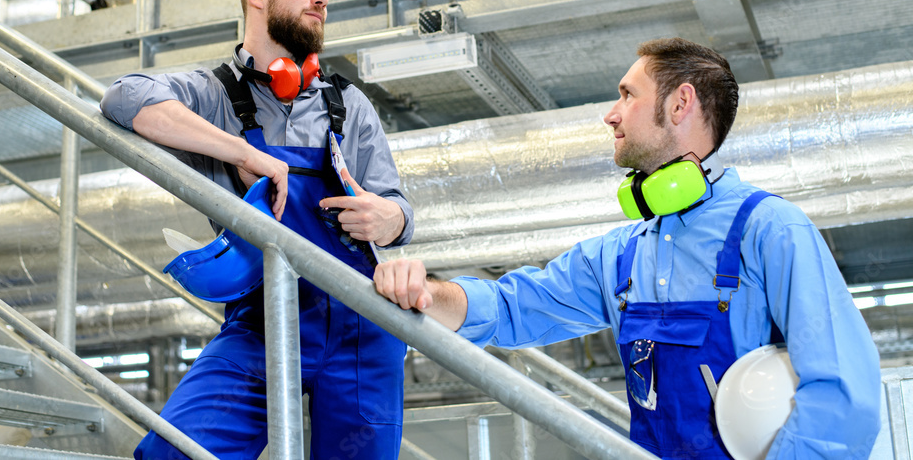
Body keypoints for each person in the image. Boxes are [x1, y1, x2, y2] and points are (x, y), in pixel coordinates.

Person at [374, 37, 881, 460]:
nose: (610, 116)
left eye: (627, 95)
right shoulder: (620, 256)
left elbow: (842, 398)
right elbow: (510, 308)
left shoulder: (769, 230)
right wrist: (425, 293)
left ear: (680, 103)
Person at [100, 0, 414, 460]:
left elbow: (399, 209)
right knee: (175, 453)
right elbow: (122, 97)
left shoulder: (348, 103)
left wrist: (390, 217)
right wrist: (239, 149)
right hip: (261, 321)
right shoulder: (211, 93)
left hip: (362, 325)